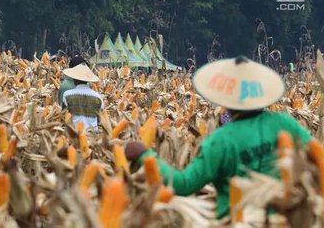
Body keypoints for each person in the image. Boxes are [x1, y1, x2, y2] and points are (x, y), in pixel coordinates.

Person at [125, 55, 315, 219]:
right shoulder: (284, 124)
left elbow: (183, 184)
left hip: (235, 221)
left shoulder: (221, 141)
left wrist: (143, 155)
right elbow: (317, 158)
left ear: (225, 97)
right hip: (286, 220)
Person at [62, 64, 103, 130]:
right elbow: (100, 119)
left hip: (74, 134)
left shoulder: (67, 95)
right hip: (93, 136)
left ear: (74, 79)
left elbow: (63, 115)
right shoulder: (98, 97)